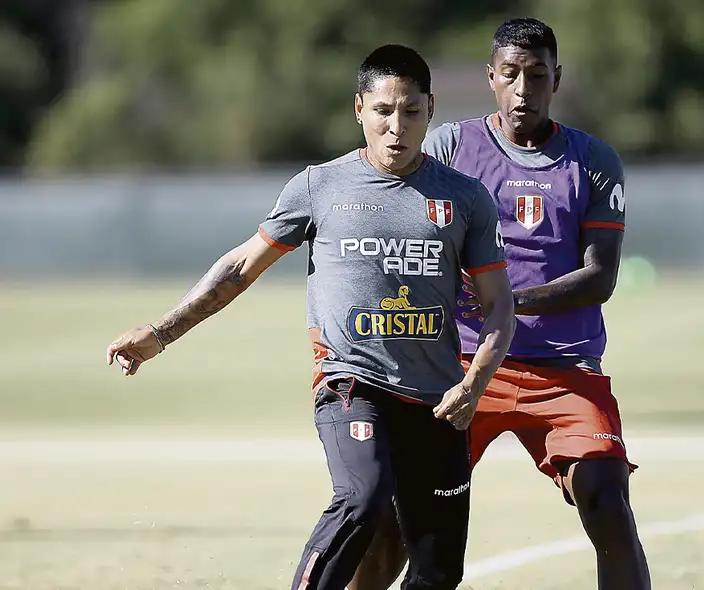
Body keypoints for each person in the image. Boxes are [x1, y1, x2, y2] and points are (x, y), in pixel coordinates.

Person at [104, 44, 516, 590]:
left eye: (411, 111)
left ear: (430, 109)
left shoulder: (465, 198)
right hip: (352, 383)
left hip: (437, 402)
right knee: (361, 499)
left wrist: (474, 384)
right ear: (359, 111)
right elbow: (238, 269)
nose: (397, 126)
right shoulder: (320, 186)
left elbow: (499, 305)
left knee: (439, 572)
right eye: (383, 111)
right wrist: (159, 334)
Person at [350, 18, 651, 590]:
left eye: (536, 75)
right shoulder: (449, 148)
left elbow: (600, 276)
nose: (522, 88)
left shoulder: (593, 161)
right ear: (491, 76)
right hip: (459, 368)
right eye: (510, 74)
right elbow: (402, 228)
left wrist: (507, 303)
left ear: (555, 79)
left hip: (563, 370)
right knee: (392, 521)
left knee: (608, 500)